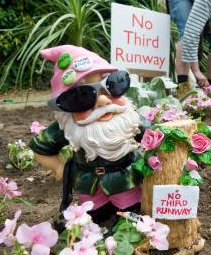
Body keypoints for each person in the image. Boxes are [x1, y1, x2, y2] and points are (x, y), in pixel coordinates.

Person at [29, 45, 143, 225]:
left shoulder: (129, 120)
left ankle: (130, 221)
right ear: (66, 106)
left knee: (132, 217)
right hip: (89, 187)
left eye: (111, 86)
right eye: (83, 97)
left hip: (125, 182)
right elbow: (40, 147)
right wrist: (58, 167)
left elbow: (154, 139)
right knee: (94, 218)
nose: (104, 100)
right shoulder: (67, 128)